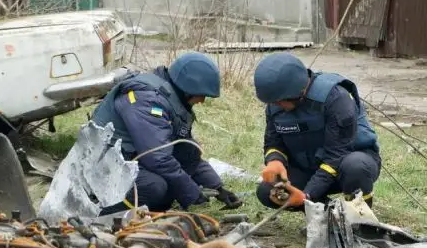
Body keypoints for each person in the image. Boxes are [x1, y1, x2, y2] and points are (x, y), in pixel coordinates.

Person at [91, 52, 241, 215]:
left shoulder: (169, 97)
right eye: (201, 95)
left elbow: (186, 152)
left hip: (128, 158)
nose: (202, 101)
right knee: (155, 188)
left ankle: (147, 207)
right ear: (187, 89)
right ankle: (103, 211)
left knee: (182, 160)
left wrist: (217, 188)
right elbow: (157, 157)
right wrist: (192, 194)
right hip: (104, 167)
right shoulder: (147, 101)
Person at [253, 52, 381, 211]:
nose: (276, 106)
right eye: (273, 102)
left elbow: (336, 156)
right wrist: (275, 160)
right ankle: (326, 214)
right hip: (311, 166)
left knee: (354, 166)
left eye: (279, 102)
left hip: (348, 164)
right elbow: (273, 142)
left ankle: (359, 217)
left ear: (297, 92)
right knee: (268, 191)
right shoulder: (277, 102)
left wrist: (307, 195)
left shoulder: (336, 99)